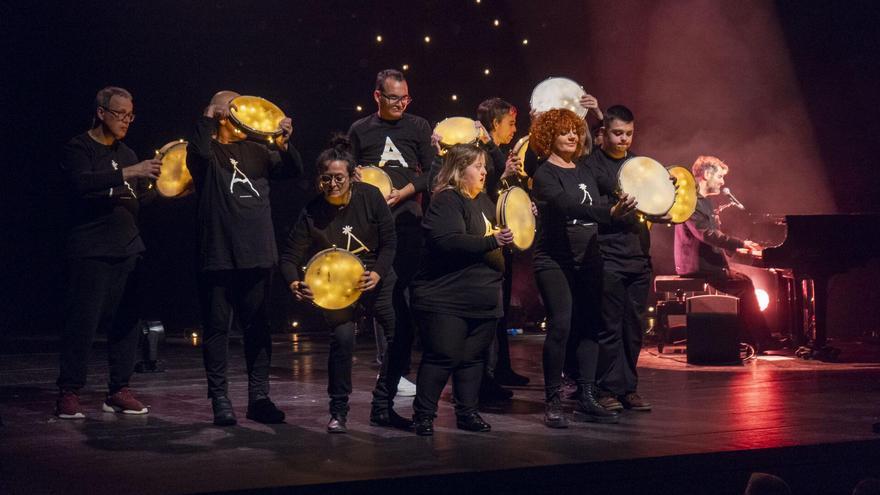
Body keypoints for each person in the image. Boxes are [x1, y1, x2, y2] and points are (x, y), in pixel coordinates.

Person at [186, 90, 303, 426]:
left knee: (258, 328)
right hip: (219, 254)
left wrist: (284, 143)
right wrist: (209, 114)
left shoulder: (258, 150)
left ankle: (259, 398)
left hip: (257, 253)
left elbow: (294, 170)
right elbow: (197, 153)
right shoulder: (207, 151)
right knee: (217, 329)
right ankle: (220, 399)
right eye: (233, 105)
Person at [279, 141, 409, 433]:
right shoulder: (312, 211)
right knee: (342, 340)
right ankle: (338, 410)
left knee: (400, 337)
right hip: (338, 287)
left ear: (352, 177)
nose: (333, 184)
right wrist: (294, 282)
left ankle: (382, 406)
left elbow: (390, 242)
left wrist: (377, 273)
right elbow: (289, 257)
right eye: (327, 178)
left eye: (339, 177)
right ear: (319, 179)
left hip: (374, 278)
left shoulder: (370, 196)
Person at [55, 86, 159, 419]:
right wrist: (130, 171)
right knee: (82, 324)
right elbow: (81, 184)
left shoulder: (127, 153)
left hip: (128, 248)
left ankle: (118, 389)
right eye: (120, 114)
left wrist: (173, 189)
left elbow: (138, 199)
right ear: (101, 113)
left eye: (130, 115)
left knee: (127, 324)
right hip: (91, 249)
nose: (126, 121)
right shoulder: (79, 147)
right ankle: (69, 390)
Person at [530, 109, 636, 427]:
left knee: (591, 324)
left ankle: (587, 396)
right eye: (564, 132)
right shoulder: (545, 174)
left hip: (588, 258)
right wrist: (609, 213)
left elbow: (620, 184)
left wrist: (652, 188)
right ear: (549, 136)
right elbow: (568, 206)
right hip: (554, 260)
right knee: (561, 327)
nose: (573, 136)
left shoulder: (586, 169)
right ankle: (553, 400)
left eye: (575, 131)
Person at [410, 144, 514, 436]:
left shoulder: (485, 201)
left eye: (484, 166)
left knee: (473, 359)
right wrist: (493, 241)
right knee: (442, 355)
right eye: (476, 166)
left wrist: (520, 217)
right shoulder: (447, 200)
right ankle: (423, 415)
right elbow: (448, 240)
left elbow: (507, 236)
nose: (484, 172)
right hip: (448, 297)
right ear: (458, 170)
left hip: (483, 297)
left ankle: (467, 412)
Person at [348, 69, 435, 397]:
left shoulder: (418, 126)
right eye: (394, 98)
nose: (401, 104)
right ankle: (391, 371)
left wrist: (405, 192)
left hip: (409, 220)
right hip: (374, 225)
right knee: (385, 293)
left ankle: (400, 367)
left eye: (405, 98)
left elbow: (434, 172)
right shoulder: (360, 129)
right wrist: (355, 177)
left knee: (407, 294)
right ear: (377, 96)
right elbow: (348, 171)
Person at [586, 105, 655, 413]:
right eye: (617, 133)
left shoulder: (639, 165)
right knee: (609, 327)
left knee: (633, 327)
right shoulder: (592, 165)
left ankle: (628, 388)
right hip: (608, 254)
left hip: (638, 255)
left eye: (628, 133)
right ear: (603, 133)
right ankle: (604, 388)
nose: (623, 139)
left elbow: (656, 204)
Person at [674, 156, 781, 350]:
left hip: (707, 263)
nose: (722, 182)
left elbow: (713, 234)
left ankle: (753, 339)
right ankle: (759, 340)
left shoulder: (705, 202)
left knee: (743, 282)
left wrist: (740, 247)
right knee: (744, 285)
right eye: (720, 176)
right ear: (707, 174)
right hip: (697, 265)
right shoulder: (691, 201)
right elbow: (706, 234)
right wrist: (740, 243)